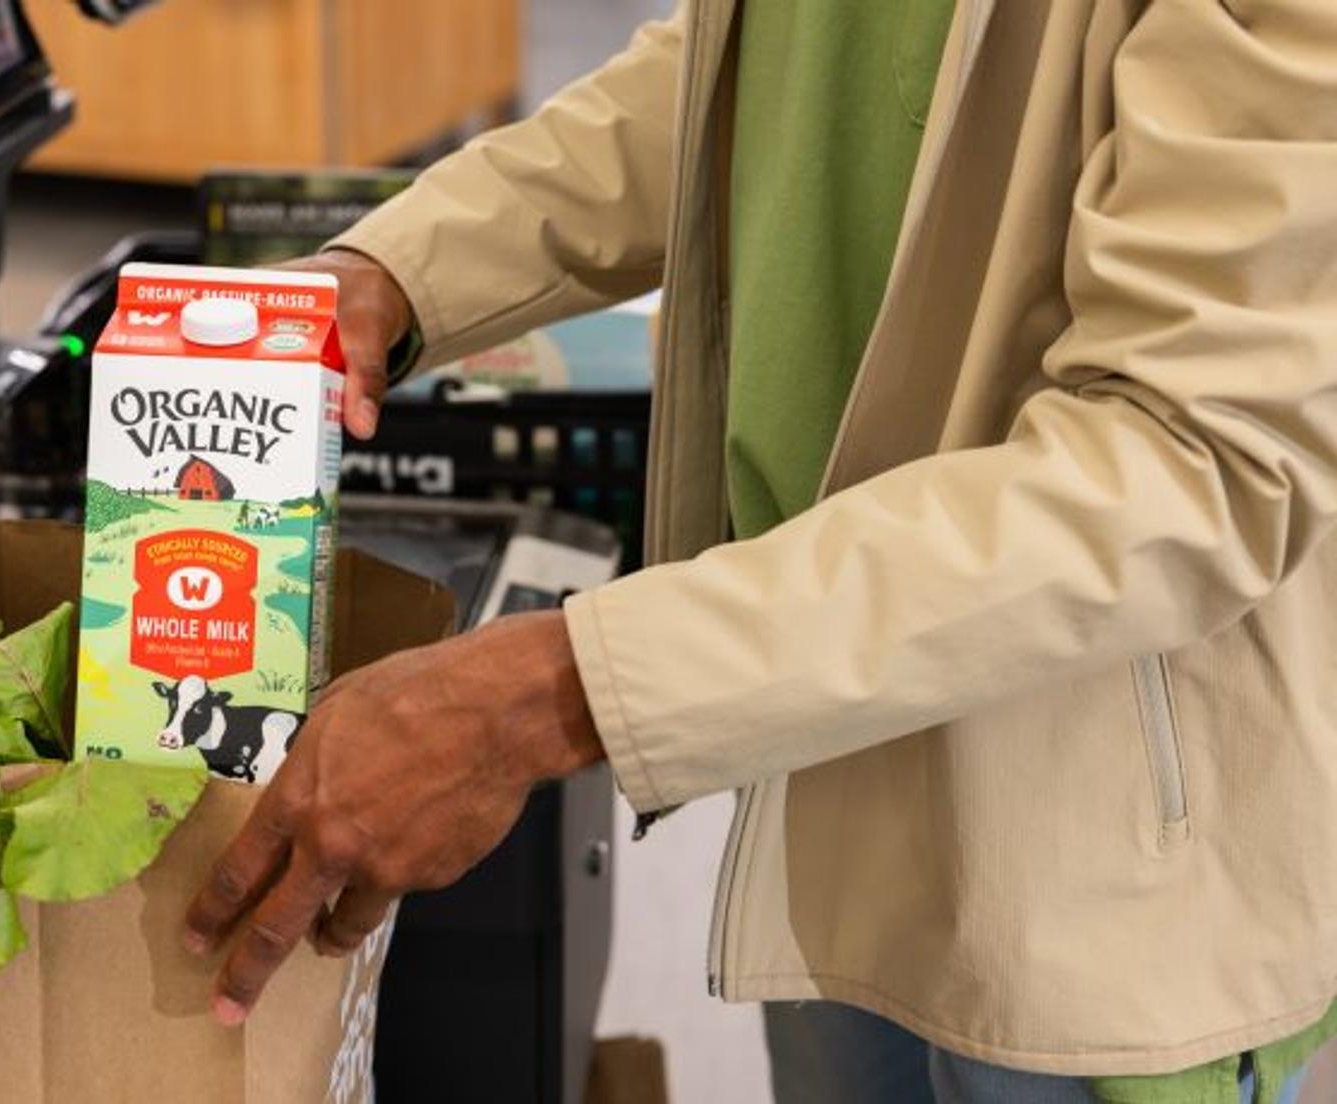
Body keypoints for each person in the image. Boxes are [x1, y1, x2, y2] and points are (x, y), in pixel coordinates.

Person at [180, 1, 1337, 1101]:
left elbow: (1190, 460)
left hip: (1098, 857)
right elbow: (743, 80)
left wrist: (557, 689)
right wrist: (401, 270)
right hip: (824, 726)